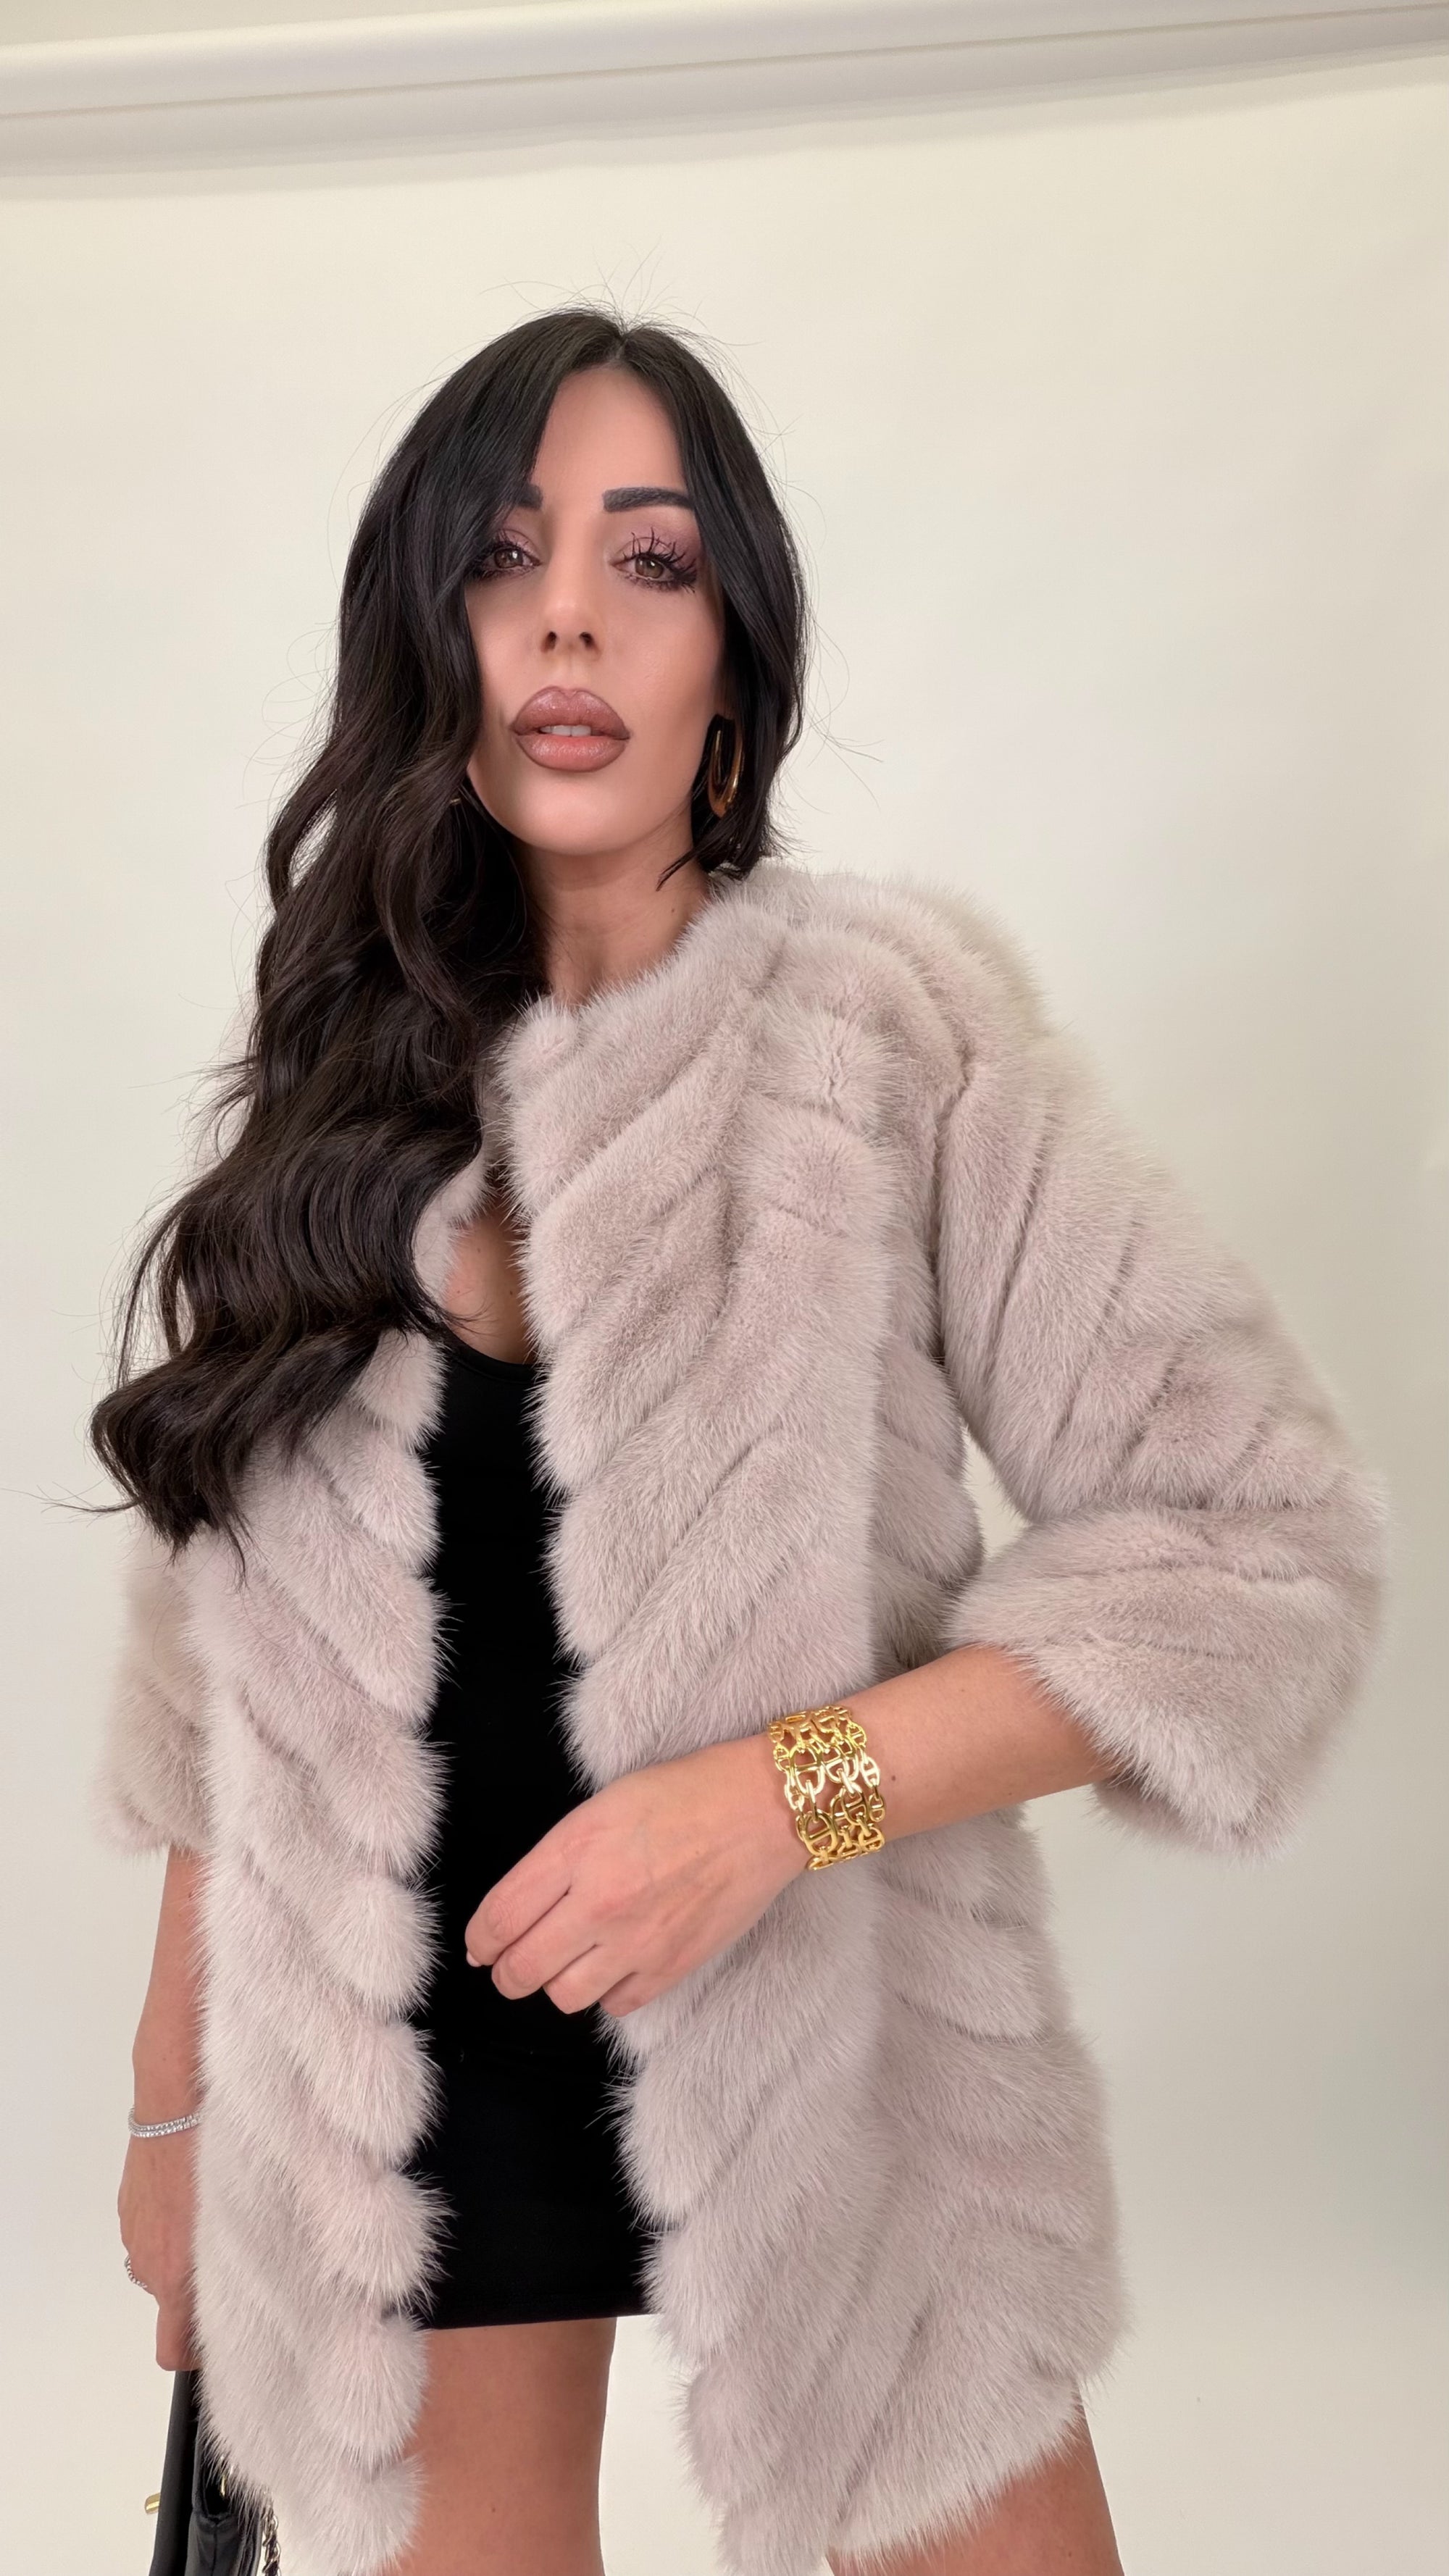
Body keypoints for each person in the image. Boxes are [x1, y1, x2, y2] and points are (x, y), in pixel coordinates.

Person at [91, 307, 1385, 2576]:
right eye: (504, 556)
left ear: (735, 663)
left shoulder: (887, 1031)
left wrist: (782, 1798)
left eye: (652, 558)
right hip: (401, 2107)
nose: (570, 616)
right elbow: (227, 1694)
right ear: (430, 633)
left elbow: (1256, 1546)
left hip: (836, 2055)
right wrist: (172, 2104)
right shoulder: (326, 1100)